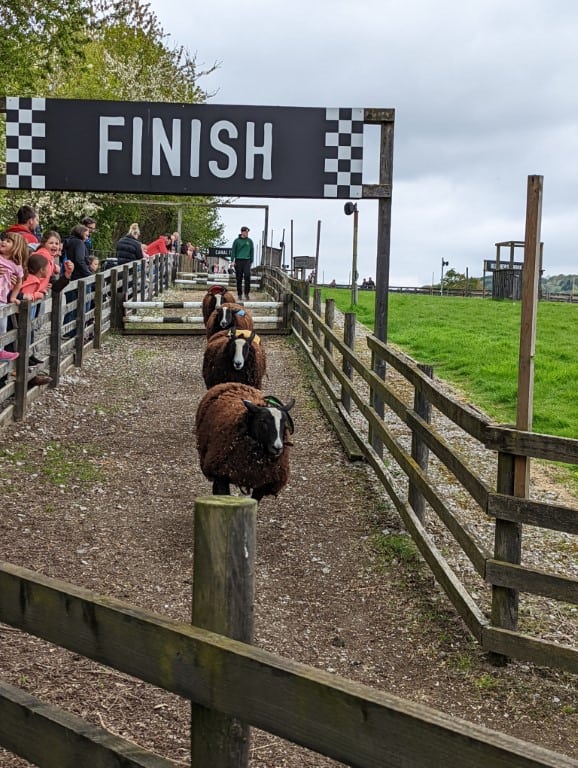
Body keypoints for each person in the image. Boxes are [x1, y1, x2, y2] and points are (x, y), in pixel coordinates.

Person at [0, 231, 26, 361]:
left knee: (2, 325)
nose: (3, 242)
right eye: (3, 240)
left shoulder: (16, 265)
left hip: (2, 298)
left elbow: (19, 282)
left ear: (16, 247)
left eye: (8, 241)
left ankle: (1, 350)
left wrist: (13, 297)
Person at [231, 226, 254, 301]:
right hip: (238, 260)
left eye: (248, 232)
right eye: (246, 232)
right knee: (239, 278)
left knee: (247, 276)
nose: (247, 233)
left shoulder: (250, 241)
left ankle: (246, 293)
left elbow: (252, 251)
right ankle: (239, 294)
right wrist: (232, 261)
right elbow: (233, 251)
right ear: (242, 232)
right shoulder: (236, 241)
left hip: (247, 261)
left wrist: (251, 260)